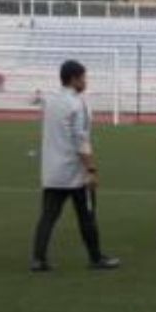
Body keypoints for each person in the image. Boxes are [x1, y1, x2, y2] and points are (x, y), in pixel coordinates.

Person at [31, 59, 118, 273]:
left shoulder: (51, 101)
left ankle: (38, 259)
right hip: (75, 172)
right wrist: (91, 169)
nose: (85, 81)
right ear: (74, 79)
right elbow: (80, 139)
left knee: (48, 216)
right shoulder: (77, 104)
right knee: (87, 215)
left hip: (53, 171)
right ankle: (96, 257)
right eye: (83, 77)